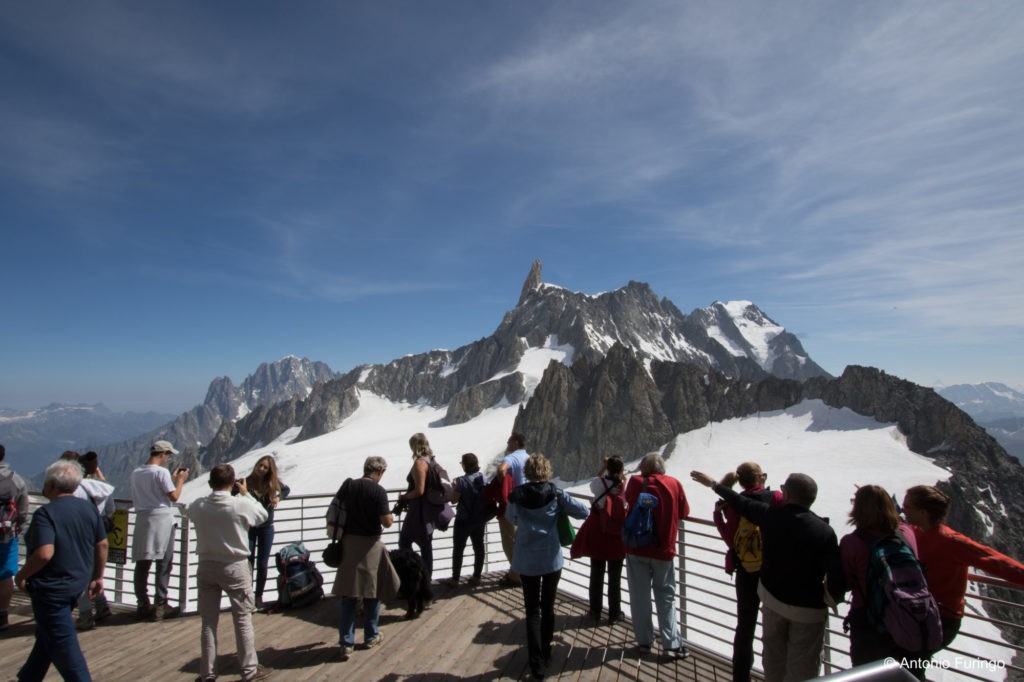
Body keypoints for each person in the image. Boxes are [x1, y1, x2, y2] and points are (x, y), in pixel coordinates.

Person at [691, 469, 840, 682]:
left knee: (773, 661)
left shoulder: (770, 516)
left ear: (787, 494)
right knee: (803, 668)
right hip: (808, 610)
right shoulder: (825, 531)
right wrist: (828, 597)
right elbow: (837, 577)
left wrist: (714, 484)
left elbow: (739, 502)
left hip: (771, 599)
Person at [14, 459, 107, 681]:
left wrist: (21, 576)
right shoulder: (88, 508)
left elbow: (45, 553)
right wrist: (98, 576)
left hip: (51, 591)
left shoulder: (46, 514)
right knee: (46, 638)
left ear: (52, 485)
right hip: (77, 585)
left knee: (67, 651)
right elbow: (102, 544)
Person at [902, 485, 1024, 651]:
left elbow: (997, 561)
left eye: (907, 506)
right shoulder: (913, 532)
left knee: (910, 663)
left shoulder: (952, 542)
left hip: (941, 619)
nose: (903, 510)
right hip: (919, 614)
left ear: (923, 512)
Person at [507, 454, 590, 680]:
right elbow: (583, 511)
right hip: (551, 559)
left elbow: (510, 517)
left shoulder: (517, 496)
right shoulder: (556, 493)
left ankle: (535, 664)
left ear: (527, 471)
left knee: (532, 610)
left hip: (526, 560)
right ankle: (546, 651)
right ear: (546, 470)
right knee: (548, 607)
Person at [186, 464, 272, 682]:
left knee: (208, 622)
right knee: (242, 619)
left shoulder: (199, 506)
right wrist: (247, 495)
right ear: (233, 482)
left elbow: (187, 511)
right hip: (235, 565)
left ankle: (207, 673)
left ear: (209, 483)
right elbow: (262, 516)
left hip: (206, 565)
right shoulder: (239, 505)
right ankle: (249, 670)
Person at [837, 485, 925, 675]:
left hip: (869, 624)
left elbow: (844, 582)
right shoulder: (906, 533)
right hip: (908, 618)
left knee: (867, 676)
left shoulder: (852, 542)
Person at [710, 462, 782, 682]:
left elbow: (731, 540)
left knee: (745, 626)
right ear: (760, 478)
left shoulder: (734, 504)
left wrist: (718, 516)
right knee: (777, 626)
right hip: (772, 570)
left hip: (745, 571)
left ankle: (741, 677)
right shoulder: (777, 498)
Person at [334, 456, 400, 661]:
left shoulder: (349, 486)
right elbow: (387, 522)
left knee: (349, 594)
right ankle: (371, 635)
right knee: (372, 592)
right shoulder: (378, 491)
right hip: (371, 544)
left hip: (348, 543)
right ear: (379, 472)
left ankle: (346, 642)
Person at [625, 453, 691, 660]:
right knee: (666, 596)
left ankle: (644, 642)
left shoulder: (635, 482)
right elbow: (684, 512)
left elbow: (628, 501)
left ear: (643, 468)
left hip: (637, 548)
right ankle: (671, 643)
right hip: (664, 550)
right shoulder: (674, 484)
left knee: (639, 596)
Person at [130, 440, 188, 620]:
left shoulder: (137, 472)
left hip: (142, 518)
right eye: (168, 455)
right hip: (162, 519)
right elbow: (174, 496)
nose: (168, 459)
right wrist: (179, 481)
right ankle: (161, 604)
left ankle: (142, 603)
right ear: (162, 454)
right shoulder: (161, 472)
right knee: (164, 562)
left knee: (142, 562)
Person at [569, 456, 627, 625]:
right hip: (617, 536)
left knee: (596, 573)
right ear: (622, 470)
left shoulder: (598, 484)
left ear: (608, 469)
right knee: (615, 577)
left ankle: (595, 611)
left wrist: (604, 467)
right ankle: (615, 613)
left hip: (599, 533)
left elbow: (596, 479)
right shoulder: (623, 486)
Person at [72, 454, 116, 631]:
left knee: (82, 574)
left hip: (79, 535)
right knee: (95, 573)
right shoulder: (104, 488)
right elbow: (111, 510)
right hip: (99, 534)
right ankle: (102, 606)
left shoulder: (75, 488)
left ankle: (85, 615)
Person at [395, 433, 447, 580]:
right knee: (425, 545)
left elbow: (419, 490)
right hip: (428, 510)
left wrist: (405, 497)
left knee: (404, 542)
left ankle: (413, 577)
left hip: (418, 511)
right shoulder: (431, 460)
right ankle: (425, 581)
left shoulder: (420, 463)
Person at [245, 455, 290, 608]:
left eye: (265, 467)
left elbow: (286, 489)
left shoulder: (272, 483)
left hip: (266, 527)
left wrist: (278, 498)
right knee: (248, 562)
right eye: (260, 465)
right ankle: (247, 595)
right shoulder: (247, 481)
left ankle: (258, 596)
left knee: (262, 563)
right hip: (249, 526)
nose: (262, 469)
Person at [443, 452, 486, 588]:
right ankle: (477, 576)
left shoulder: (461, 481)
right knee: (478, 547)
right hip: (479, 518)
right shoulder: (483, 478)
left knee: (459, 548)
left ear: (465, 465)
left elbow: (454, 500)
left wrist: (453, 486)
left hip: (463, 519)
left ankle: (455, 579)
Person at [0, 443, 30, 632]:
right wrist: (17, 529)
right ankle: (2, 615)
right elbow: (24, 511)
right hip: (6, 535)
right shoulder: (16, 480)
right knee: (5, 575)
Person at [496, 432, 529, 586]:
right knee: (520, 540)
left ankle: (517, 575)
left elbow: (501, 469)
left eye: (509, 441)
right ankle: (517, 572)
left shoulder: (512, 457)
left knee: (509, 541)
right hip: (527, 505)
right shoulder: (528, 457)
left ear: (515, 442)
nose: (507, 444)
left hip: (513, 505)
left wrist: (502, 484)